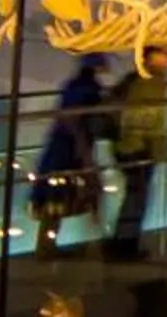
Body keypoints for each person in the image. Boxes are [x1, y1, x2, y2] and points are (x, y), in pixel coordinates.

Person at [31, 58, 111, 254]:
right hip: (71, 150)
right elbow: (77, 120)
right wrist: (84, 152)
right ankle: (97, 241)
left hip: (59, 149)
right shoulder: (91, 89)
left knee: (55, 197)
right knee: (88, 192)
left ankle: (46, 245)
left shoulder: (72, 87)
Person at [104, 46, 167, 260]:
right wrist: (151, 146)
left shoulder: (133, 80)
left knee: (134, 197)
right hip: (139, 149)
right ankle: (125, 246)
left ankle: (121, 242)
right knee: (137, 198)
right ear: (151, 59)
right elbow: (146, 117)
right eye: (162, 55)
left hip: (130, 147)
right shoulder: (150, 83)